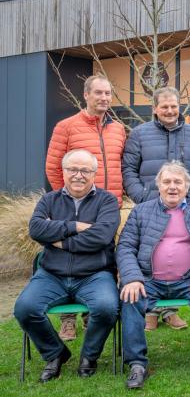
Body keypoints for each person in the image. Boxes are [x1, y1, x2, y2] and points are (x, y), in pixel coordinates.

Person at [14, 149, 120, 382]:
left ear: (94, 173)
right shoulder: (49, 200)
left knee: (106, 308)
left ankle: (89, 356)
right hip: (52, 275)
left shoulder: (107, 201)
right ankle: (55, 354)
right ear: (63, 172)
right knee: (25, 308)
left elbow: (101, 237)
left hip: (95, 274)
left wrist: (59, 240)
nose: (78, 175)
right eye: (73, 169)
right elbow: (36, 229)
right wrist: (75, 226)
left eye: (85, 170)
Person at [117, 161, 190, 389]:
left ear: (187, 186)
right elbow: (125, 247)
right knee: (131, 297)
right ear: (159, 185)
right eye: (167, 182)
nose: (172, 187)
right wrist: (132, 277)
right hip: (148, 279)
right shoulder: (141, 211)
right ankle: (137, 364)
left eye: (178, 182)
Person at [44, 74, 126, 341]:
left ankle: (94, 311)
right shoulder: (66, 126)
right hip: (74, 205)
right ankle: (67, 319)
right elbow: (53, 167)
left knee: (104, 257)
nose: (103, 98)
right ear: (86, 95)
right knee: (69, 259)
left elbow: (120, 165)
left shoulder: (118, 129)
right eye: (98, 93)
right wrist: (69, 198)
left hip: (109, 207)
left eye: (107, 93)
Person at [122, 86, 190, 331]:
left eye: (174, 106)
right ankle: (151, 310)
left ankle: (169, 312)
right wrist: (142, 198)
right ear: (155, 109)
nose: (170, 111)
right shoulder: (139, 134)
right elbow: (129, 170)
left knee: (177, 252)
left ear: (180, 107)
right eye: (164, 107)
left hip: (185, 205)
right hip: (149, 206)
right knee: (152, 252)